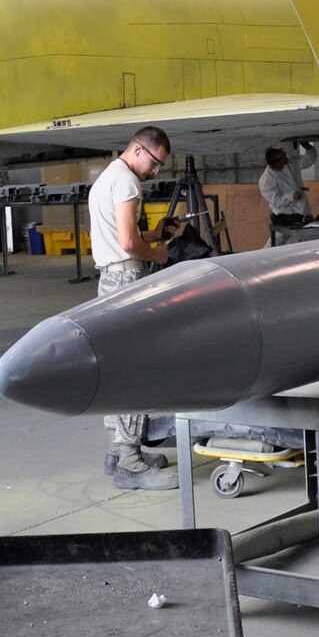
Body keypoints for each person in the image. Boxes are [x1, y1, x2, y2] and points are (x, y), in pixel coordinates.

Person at [87, 125, 180, 490]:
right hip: (127, 279)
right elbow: (127, 242)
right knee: (134, 370)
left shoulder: (107, 178)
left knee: (116, 367)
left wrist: (155, 234)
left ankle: (118, 451)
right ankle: (129, 461)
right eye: (156, 163)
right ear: (139, 150)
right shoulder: (128, 183)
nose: (156, 171)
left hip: (110, 280)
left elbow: (118, 234)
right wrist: (156, 253)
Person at [259, 143, 315, 229]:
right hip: (285, 215)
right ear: (275, 163)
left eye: (284, 155)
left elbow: (308, 160)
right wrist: (292, 197)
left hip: (303, 210)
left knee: (313, 236)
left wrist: (308, 147)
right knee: (278, 240)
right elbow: (276, 201)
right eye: (282, 158)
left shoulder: (291, 162)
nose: (286, 158)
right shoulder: (266, 179)